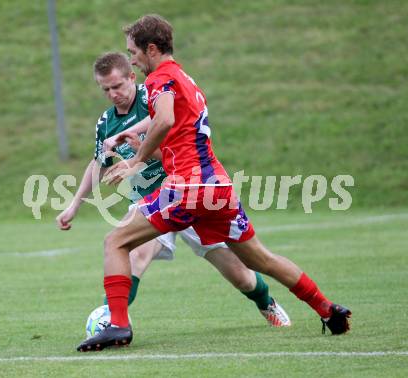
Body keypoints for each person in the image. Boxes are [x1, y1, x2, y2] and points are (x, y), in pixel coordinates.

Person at [77, 15, 351, 352]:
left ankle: (118, 325)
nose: (131, 57)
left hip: (186, 186)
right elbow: (170, 118)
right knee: (260, 260)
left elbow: (164, 119)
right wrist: (135, 134)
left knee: (116, 242)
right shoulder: (185, 79)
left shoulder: (159, 79)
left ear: (151, 49)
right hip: (216, 186)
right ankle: (327, 308)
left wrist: (134, 160)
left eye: (133, 51)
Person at [55, 52, 291, 334]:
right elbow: (99, 163)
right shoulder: (106, 122)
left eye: (117, 86)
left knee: (240, 276)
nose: (112, 94)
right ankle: (112, 321)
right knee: (133, 255)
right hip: (149, 203)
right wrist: (74, 205)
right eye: (105, 89)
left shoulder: (155, 98)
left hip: (187, 193)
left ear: (132, 76)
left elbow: (176, 146)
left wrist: (139, 153)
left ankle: (266, 303)